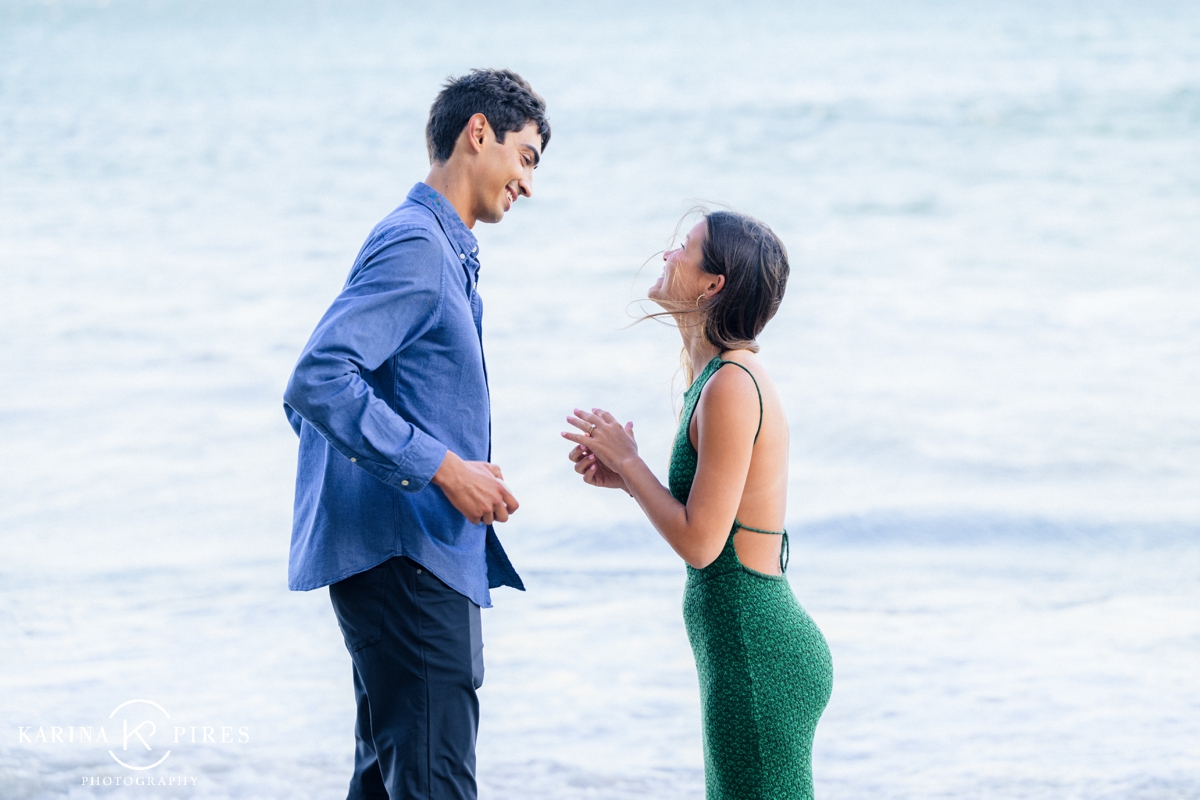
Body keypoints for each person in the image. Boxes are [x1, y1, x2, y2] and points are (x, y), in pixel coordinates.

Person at [283, 69, 550, 800]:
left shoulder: (438, 248)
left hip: (408, 556)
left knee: (391, 781)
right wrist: (440, 467)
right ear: (478, 133)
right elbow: (317, 380)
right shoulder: (419, 247)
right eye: (526, 157)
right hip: (409, 561)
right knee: (433, 783)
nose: (529, 184)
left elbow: (325, 393)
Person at [562, 210, 833, 799]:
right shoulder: (712, 376)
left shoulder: (733, 382)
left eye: (684, 247)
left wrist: (632, 463)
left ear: (714, 284)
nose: (667, 256)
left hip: (758, 650)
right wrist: (628, 480)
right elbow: (712, 518)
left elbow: (702, 543)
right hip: (742, 648)